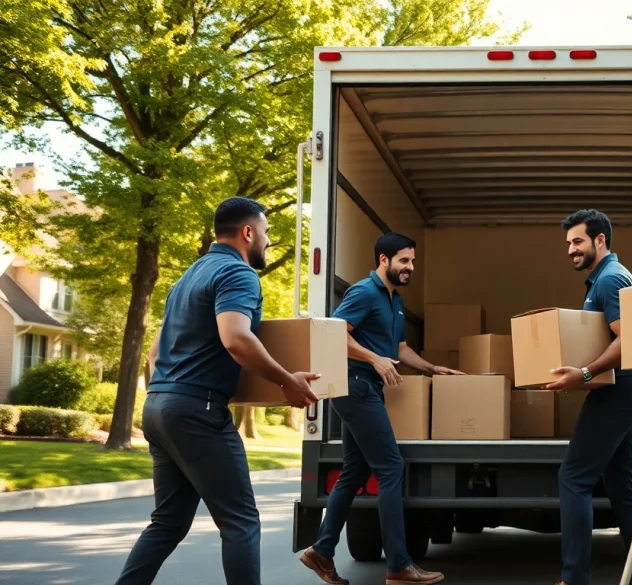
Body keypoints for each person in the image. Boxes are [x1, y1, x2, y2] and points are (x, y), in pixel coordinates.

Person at [116, 197, 320, 585]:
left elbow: (156, 350)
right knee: (240, 522)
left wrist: (164, 392)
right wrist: (286, 380)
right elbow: (236, 338)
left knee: (168, 522)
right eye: (266, 232)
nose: (268, 240)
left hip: (159, 405)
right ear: (248, 232)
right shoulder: (238, 275)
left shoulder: (187, 277)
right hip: (197, 410)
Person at [299, 232, 461, 585]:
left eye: (413, 261)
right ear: (384, 260)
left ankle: (321, 551)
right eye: (404, 261)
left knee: (354, 472)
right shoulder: (363, 292)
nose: (410, 267)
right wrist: (374, 359)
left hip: (366, 387)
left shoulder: (394, 300)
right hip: (355, 387)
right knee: (391, 467)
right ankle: (399, 566)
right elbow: (333, 333)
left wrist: (432, 369)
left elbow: (400, 348)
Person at [545, 209, 632, 585]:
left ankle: (575, 578)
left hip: (620, 390)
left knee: (573, 477)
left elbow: (630, 338)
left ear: (600, 240)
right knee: (625, 491)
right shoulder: (607, 279)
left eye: (577, 241)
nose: (570, 250)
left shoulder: (609, 280)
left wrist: (586, 373)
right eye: (568, 243)